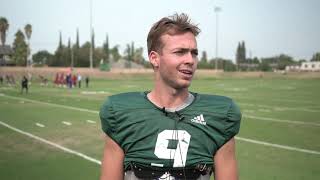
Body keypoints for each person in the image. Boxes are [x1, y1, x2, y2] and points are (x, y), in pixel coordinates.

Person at [100, 13, 241, 180]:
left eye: (194, 53)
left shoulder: (220, 116)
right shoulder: (121, 113)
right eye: (180, 52)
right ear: (154, 58)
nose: (190, 59)